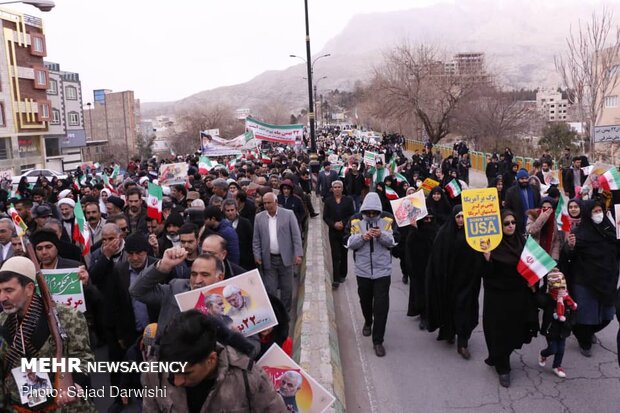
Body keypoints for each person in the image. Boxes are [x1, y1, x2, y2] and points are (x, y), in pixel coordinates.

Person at [0, 257, 97, 412]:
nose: (2, 298)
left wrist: (74, 385)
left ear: (30, 288)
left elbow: (83, 357)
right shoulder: (2, 321)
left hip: (63, 407)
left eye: (9, 290)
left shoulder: (67, 316)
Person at [142, 311, 287, 412]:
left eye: (186, 373)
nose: (178, 381)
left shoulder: (247, 378)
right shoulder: (155, 372)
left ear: (211, 359)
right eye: (172, 373)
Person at [481, 210, 539, 388]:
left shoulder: (522, 242)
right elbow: (485, 274)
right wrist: (487, 259)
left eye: (513, 222)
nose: (511, 226)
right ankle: (502, 367)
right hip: (498, 298)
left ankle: (501, 356)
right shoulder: (491, 246)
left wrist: (534, 281)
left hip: (518, 295)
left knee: (515, 331)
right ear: (500, 226)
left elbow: (533, 264)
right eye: (506, 223)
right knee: (500, 333)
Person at [344, 192, 399, 357]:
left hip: (383, 270)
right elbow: (348, 242)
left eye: (374, 212)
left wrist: (381, 235)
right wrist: (363, 237)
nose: (371, 215)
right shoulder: (355, 220)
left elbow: (394, 241)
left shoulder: (388, 219)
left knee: (381, 306)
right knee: (365, 301)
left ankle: (378, 341)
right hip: (363, 270)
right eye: (368, 212)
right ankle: (368, 321)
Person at [426, 205, 483, 359]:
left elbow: (478, 256)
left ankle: (463, 343)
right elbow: (437, 257)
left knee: (464, 309)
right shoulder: (444, 234)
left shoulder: (473, 235)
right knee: (450, 307)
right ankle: (449, 332)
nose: (460, 220)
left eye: (463, 217)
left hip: (468, 281)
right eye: (458, 216)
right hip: (449, 281)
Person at [129, 249, 226, 336]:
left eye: (205, 275)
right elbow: (136, 291)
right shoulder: (176, 288)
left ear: (220, 277)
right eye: (194, 274)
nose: (197, 280)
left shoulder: (229, 301)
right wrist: (163, 266)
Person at [566, 200, 619, 357]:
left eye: (600, 211)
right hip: (584, 281)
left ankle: (589, 332)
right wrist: (570, 247)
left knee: (607, 316)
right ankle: (584, 340)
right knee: (584, 317)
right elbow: (568, 257)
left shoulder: (609, 229)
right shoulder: (578, 233)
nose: (598, 214)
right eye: (594, 212)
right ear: (588, 214)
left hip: (606, 280)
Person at [253, 193, 303, 313]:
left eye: (269, 203)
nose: (267, 205)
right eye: (264, 203)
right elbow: (256, 239)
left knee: (287, 288)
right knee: (271, 289)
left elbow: (296, 236)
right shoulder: (259, 217)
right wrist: (257, 255)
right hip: (268, 259)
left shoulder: (288, 214)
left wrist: (298, 254)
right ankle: (275, 313)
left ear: (276, 202)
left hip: (285, 258)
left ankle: (285, 312)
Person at [406, 210, 438, 330]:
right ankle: (423, 315)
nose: (428, 221)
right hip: (419, 267)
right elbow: (409, 247)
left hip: (433, 268)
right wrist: (414, 229)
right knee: (420, 292)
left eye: (430, 219)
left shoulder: (437, 231)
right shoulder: (415, 231)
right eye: (426, 219)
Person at [323, 180, 355, 288]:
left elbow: (352, 215)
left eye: (339, 187)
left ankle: (343, 273)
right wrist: (333, 224)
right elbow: (325, 217)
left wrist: (343, 223)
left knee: (343, 253)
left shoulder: (348, 200)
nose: (337, 189)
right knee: (335, 254)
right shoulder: (328, 201)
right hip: (333, 231)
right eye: (335, 187)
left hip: (345, 231)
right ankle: (335, 278)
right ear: (332, 189)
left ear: (342, 188)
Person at [504, 168, 541, 236]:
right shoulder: (511, 192)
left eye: (526, 178)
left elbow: (539, 205)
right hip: (519, 224)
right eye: (522, 179)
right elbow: (507, 209)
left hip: (534, 222)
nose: (524, 180)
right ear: (518, 180)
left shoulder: (534, 190)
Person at [222, 199, 254, 270]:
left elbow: (251, 241)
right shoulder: (222, 225)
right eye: (228, 211)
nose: (230, 213)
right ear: (224, 212)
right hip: (229, 260)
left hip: (246, 261)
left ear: (236, 210)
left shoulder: (245, 222)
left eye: (232, 210)